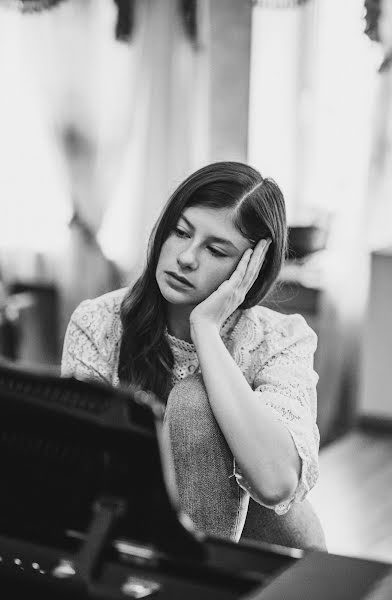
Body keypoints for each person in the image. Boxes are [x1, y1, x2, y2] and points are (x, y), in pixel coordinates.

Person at [61, 161, 325, 548]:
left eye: (216, 250)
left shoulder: (283, 338)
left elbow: (275, 484)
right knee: (191, 406)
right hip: (134, 526)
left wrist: (206, 332)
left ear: (249, 268)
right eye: (180, 232)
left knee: (194, 401)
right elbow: (79, 472)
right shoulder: (98, 322)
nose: (186, 257)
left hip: (267, 544)